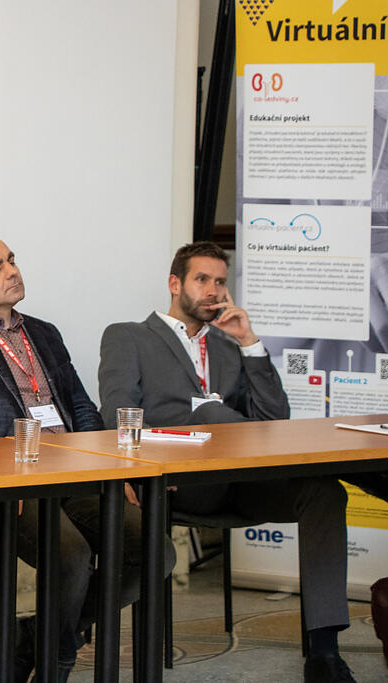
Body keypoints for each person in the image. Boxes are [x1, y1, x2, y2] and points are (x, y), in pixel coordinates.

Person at [0, 233, 173, 682]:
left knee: (154, 552)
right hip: (6, 485)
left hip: (72, 474)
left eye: (11, 260)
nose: (12, 271)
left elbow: (82, 409)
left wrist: (113, 470)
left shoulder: (44, 333)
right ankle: (58, 662)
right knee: (69, 556)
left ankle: (39, 637)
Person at [98, 241, 355, 683]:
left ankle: (324, 653)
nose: (213, 290)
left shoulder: (228, 345)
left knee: (324, 491)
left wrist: (249, 342)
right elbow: (119, 417)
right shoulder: (129, 336)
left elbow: (274, 421)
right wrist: (165, 453)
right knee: (214, 413)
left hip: (242, 480)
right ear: (175, 283)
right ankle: (382, 478)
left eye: (220, 281)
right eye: (202, 279)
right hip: (179, 483)